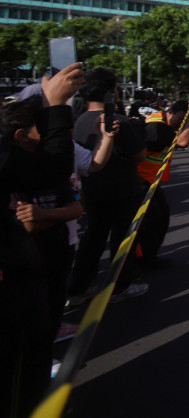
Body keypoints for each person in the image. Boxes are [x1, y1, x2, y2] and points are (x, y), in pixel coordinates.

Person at [0, 63, 83, 418]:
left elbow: (69, 197)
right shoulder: (11, 159)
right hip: (14, 283)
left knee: (37, 340)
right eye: (42, 128)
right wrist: (56, 107)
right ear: (20, 135)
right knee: (22, 357)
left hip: (40, 267)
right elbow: (54, 167)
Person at [67, 68, 150, 304]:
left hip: (92, 189)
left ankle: (80, 286)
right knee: (123, 239)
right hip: (123, 189)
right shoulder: (117, 121)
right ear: (110, 92)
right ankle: (120, 286)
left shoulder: (79, 121)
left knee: (93, 237)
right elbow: (139, 154)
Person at [133, 98, 189, 266]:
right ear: (170, 113)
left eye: (184, 119)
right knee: (153, 220)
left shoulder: (161, 122)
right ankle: (141, 261)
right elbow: (183, 142)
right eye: (180, 118)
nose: (181, 123)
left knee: (157, 218)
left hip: (148, 181)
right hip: (141, 181)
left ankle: (146, 257)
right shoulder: (158, 126)